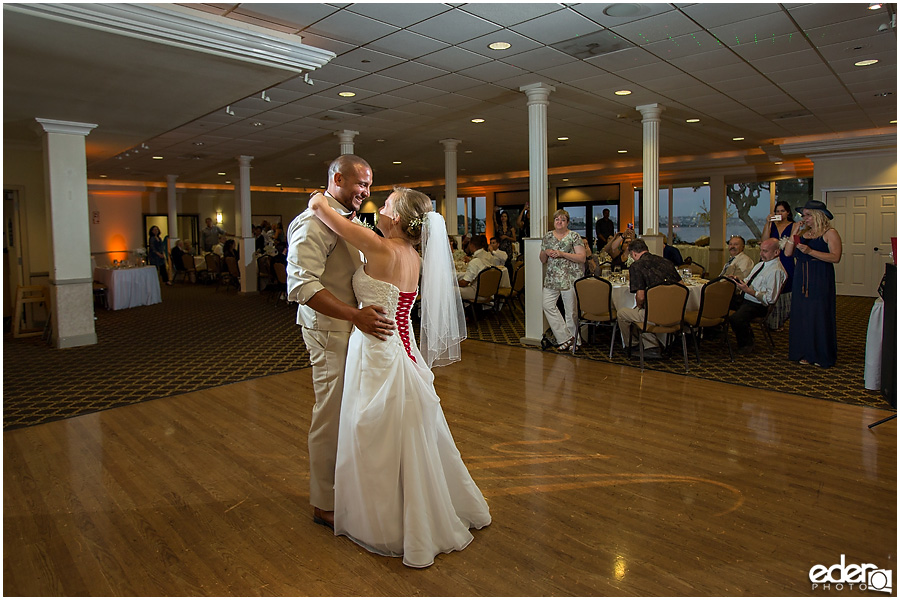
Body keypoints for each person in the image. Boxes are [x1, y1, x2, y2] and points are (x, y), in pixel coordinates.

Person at [308, 186, 491, 568]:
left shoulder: (380, 248)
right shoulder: (414, 257)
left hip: (376, 348)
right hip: (402, 345)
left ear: (397, 217)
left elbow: (322, 211)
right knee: (401, 432)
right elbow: (402, 310)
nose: (381, 208)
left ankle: (383, 520)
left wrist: (319, 196)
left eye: (387, 204)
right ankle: (411, 507)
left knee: (372, 432)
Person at [286, 154, 395, 531]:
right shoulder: (310, 223)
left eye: (368, 186)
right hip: (330, 331)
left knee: (354, 411)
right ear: (337, 178)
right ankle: (323, 501)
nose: (364, 192)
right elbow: (302, 286)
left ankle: (350, 486)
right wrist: (355, 316)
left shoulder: (353, 217)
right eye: (359, 184)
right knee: (330, 414)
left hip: (357, 331)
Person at [784, 199, 842, 367]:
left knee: (818, 314)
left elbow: (835, 257)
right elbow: (788, 253)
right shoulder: (803, 234)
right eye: (804, 215)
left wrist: (811, 251)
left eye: (808, 215)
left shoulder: (830, 233)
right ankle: (804, 352)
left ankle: (820, 354)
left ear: (818, 216)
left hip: (820, 277)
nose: (805, 218)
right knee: (803, 314)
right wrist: (794, 232)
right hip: (801, 277)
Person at [616, 238, 682, 355]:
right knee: (640, 313)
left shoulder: (637, 266)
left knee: (623, 314)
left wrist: (640, 306)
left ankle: (633, 345)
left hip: (653, 314)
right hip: (674, 313)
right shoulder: (665, 262)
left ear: (634, 253)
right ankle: (651, 344)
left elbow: (640, 297)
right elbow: (682, 287)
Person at [726, 238, 787, 354]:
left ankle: (746, 344)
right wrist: (738, 280)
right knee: (717, 303)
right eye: (761, 251)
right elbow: (748, 280)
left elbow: (770, 299)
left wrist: (749, 291)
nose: (761, 254)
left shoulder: (776, 271)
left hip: (758, 305)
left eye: (765, 251)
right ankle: (713, 334)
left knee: (736, 319)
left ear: (776, 252)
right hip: (746, 297)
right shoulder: (761, 265)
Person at [540, 209, 586, 351]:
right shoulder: (548, 237)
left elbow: (581, 257)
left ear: (567, 222)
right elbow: (542, 260)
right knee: (547, 305)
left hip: (569, 277)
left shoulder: (574, 236)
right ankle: (565, 338)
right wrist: (546, 252)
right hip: (552, 278)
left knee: (570, 311)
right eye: (557, 220)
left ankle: (575, 342)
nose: (559, 222)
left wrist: (562, 254)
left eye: (562, 220)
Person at [761, 201, 800, 330]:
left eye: (782, 211)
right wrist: (768, 223)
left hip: (787, 258)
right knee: (772, 285)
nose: (779, 214)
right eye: (777, 211)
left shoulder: (793, 225)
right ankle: (770, 320)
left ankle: (782, 319)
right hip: (772, 258)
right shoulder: (771, 226)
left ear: (788, 212)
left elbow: (797, 242)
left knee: (786, 286)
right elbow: (764, 240)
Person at [457, 235, 494, 301]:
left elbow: (464, 283)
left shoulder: (475, 261)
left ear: (471, 245)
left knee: (449, 289)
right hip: (489, 291)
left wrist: (451, 283)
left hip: (477, 293)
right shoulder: (488, 255)